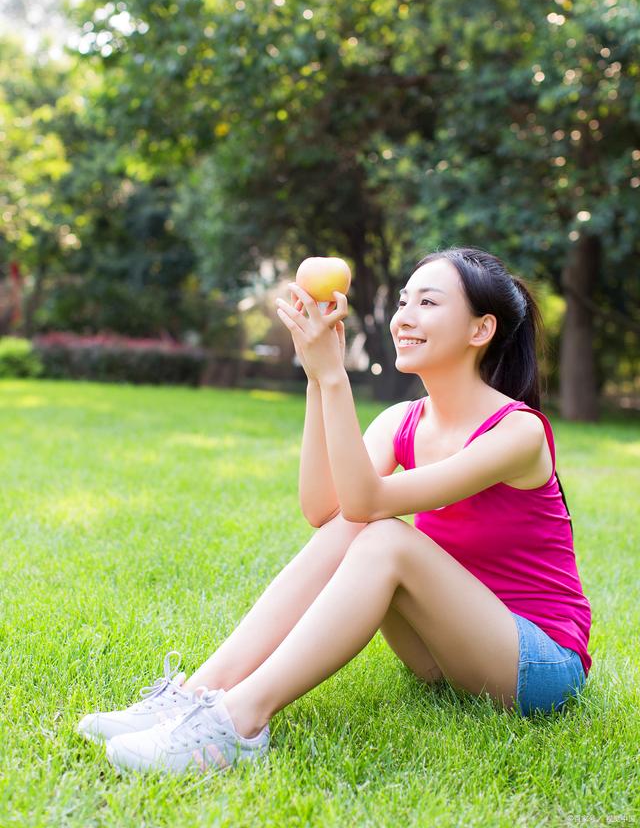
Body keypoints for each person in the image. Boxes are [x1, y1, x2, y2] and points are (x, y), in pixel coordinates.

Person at [78, 245, 592, 776]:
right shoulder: (403, 421)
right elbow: (326, 510)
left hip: (538, 662)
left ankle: (239, 722)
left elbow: (368, 502)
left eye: (429, 302)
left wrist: (334, 378)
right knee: (357, 529)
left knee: (384, 537)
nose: (404, 317)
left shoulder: (519, 432)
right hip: (447, 651)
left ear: (480, 330)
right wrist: (314, 378)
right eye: (403, 301)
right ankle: (194, 694)